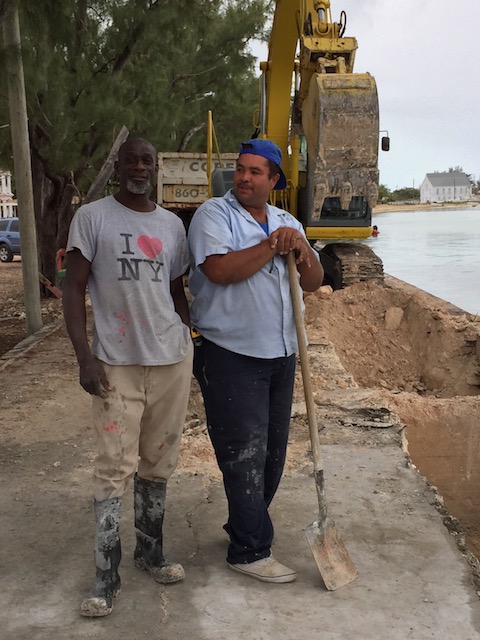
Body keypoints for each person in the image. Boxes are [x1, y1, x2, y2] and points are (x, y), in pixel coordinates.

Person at [63, 137, 193, 617]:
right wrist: (84, 356)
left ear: (156, 169)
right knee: (113, 465)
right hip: (116, 362)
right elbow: (73, 290)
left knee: (159, 460)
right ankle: (105, 572)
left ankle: (150, 551)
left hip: (171, 359)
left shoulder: (171, 225)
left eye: (148, 161)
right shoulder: (92, 218)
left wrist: (188, 335)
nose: (140, 167)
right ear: (117, 166)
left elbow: (176, 290)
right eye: (132, 159)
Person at [188, 138, 324, 583]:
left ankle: (243, 527)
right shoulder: (214, 214)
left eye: (255, 172)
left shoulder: (288, 221)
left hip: (282, 353)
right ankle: (249, 551)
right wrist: (271, 246)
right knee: (242, 454)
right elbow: (219, 272)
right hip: (231, 354)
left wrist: (299, 246)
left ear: (274, 180)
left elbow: (314, 280)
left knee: (272, 456)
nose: (243, 178)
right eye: (239, 168)